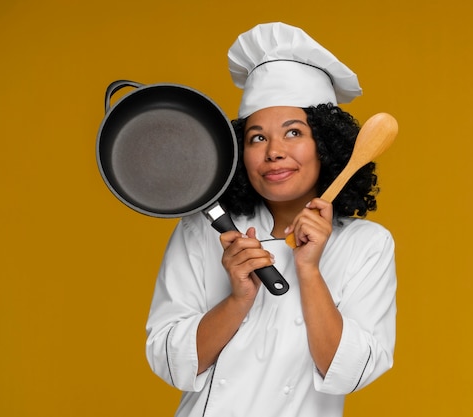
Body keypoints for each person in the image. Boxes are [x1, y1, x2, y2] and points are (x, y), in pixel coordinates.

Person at [145, 22, 397, 417]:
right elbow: (171, 362)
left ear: (326, 146)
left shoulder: (367, 244)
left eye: (294, 132)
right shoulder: (202, 230)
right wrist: (239, 298)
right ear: (240, 154)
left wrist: (309, 270)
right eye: (257, 138)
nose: (274, 152)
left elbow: (348, 372)